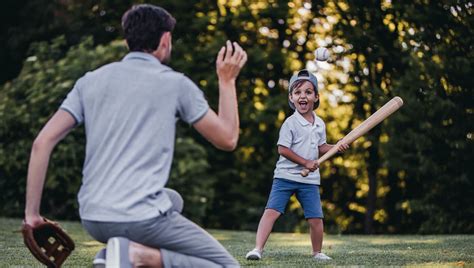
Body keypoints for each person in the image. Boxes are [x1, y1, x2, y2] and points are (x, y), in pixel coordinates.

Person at [24, 4, 247, 268]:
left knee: (173, 200)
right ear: (165, 40)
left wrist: (32, 215)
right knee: (228, 266)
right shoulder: (176, 84)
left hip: (94, 218)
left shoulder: (89, 81)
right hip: (140, 219)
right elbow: (228, 139)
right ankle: (138, 256)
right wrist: (226, 80)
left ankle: (109, 256)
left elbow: (42, 143)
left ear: (128, 39)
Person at [245, 69, 348, 261]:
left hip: (309, 180)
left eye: (308, 92)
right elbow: (282, 150)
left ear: (316, 97)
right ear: (291, 97)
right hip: (285, 176)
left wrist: (337, 147)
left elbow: (322, 147)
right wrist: (305, 162)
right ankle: (257, 249)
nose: (303, 96)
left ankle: (317, 252)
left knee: (316, 218)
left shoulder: (320, 124)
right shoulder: (290, 123)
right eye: (298, 92)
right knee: (271, 212)